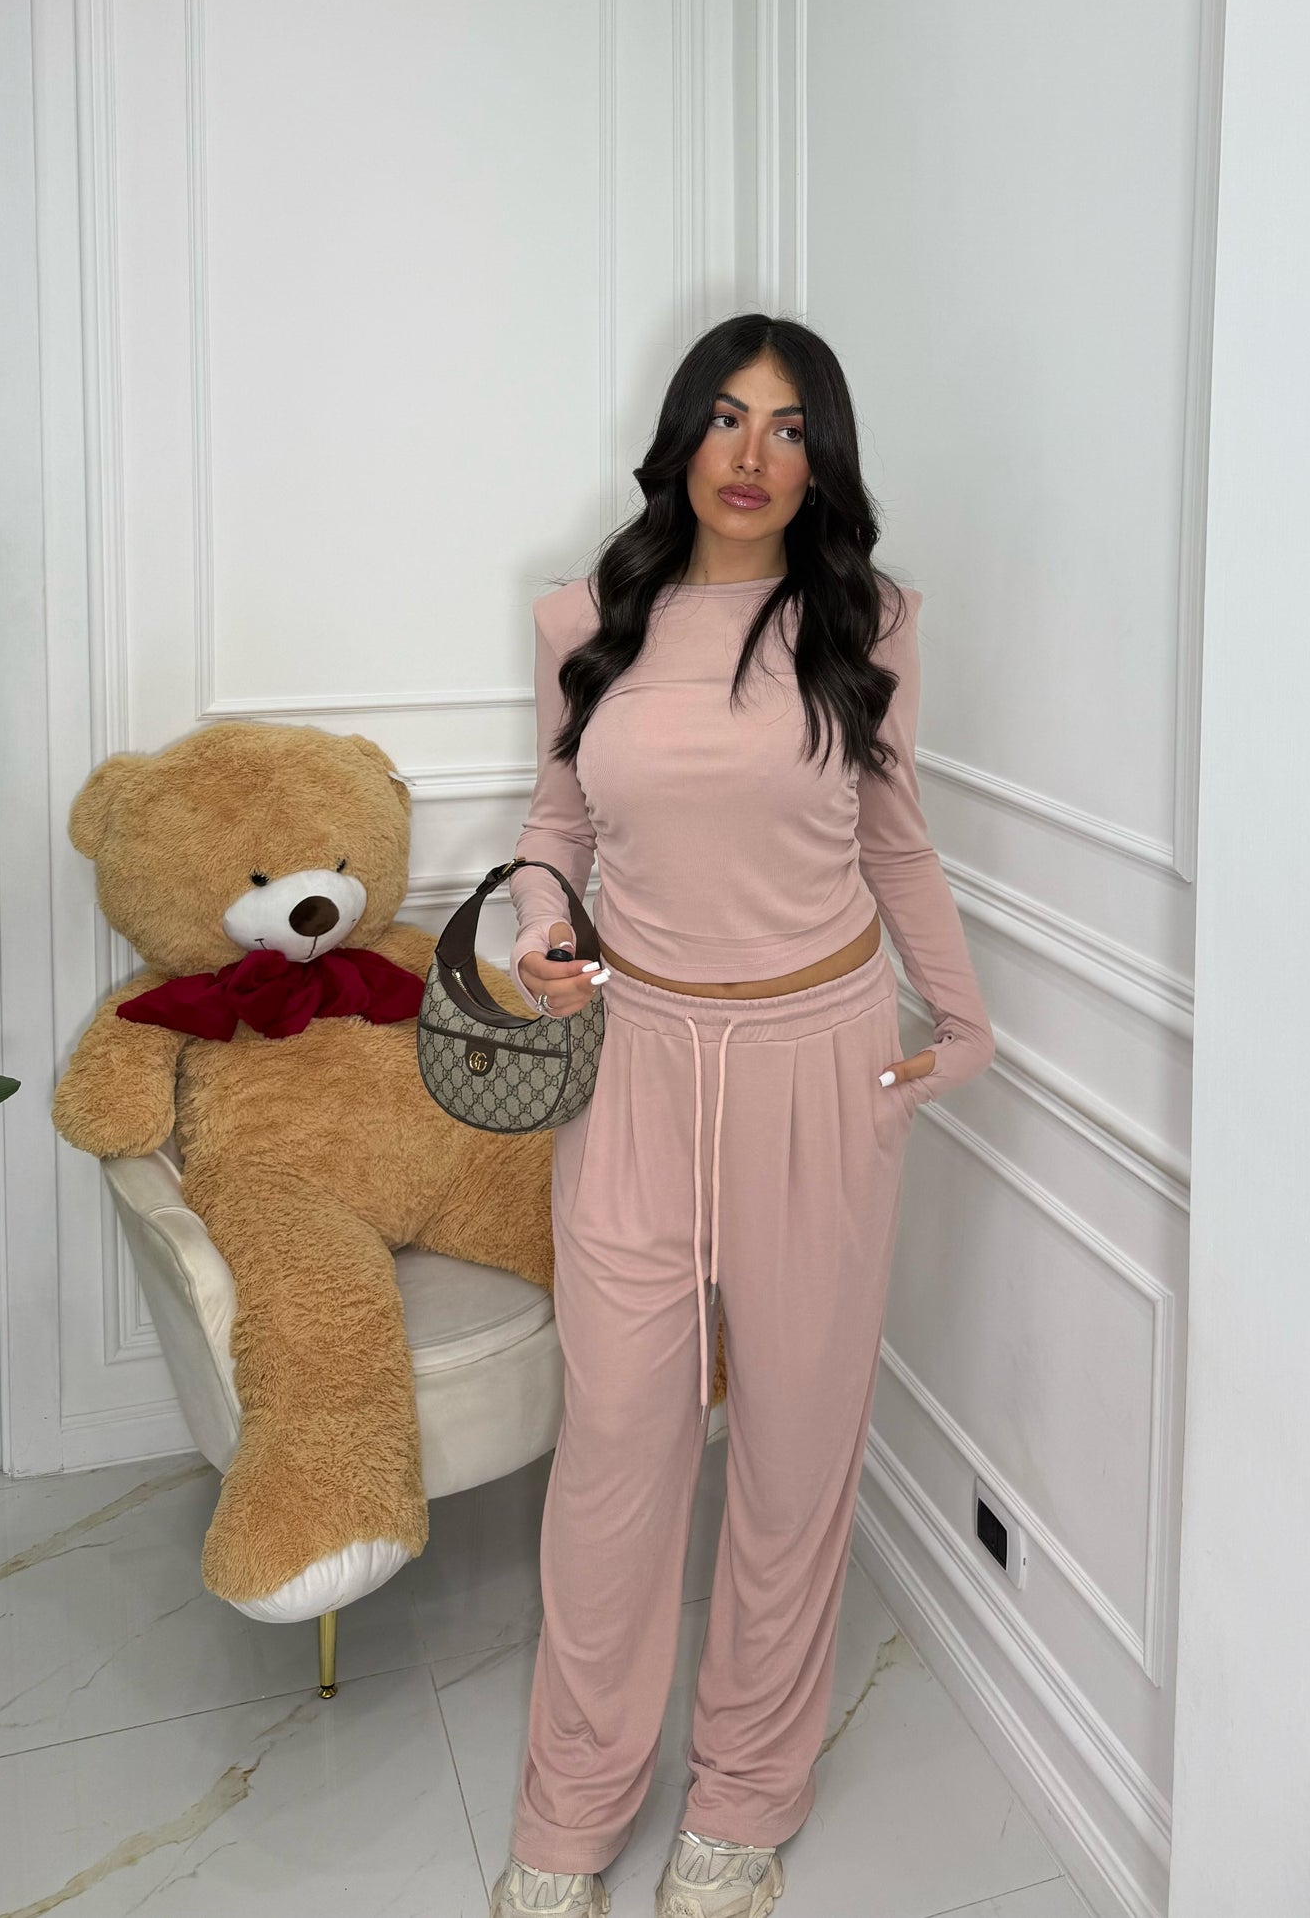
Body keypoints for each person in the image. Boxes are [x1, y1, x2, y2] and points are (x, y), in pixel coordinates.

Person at [487, 314, 996, 1918]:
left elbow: (895, 840)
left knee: (791, 1448)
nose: (752, 454)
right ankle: (570, 1812)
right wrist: (540, 930)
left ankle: (746, 1801)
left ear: (821, 457)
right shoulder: (588, 616)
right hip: (635, 1066)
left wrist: (962, 1021)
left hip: (818, 1066)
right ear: (680, 437)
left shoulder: (868, 622)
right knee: (617, 1450)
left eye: (787, 427)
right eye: (723, 417)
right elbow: (555, 822)